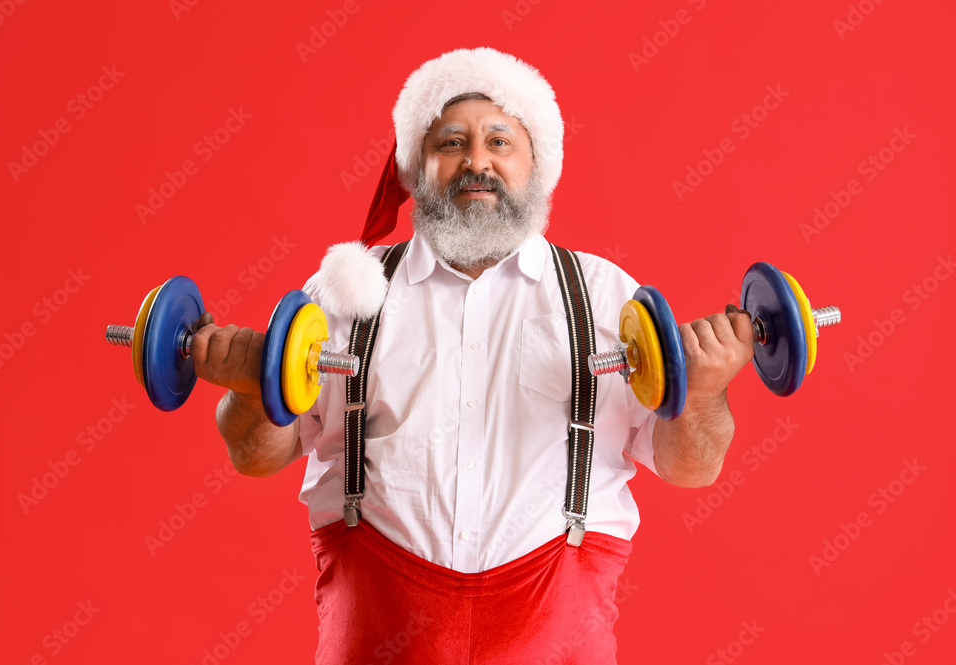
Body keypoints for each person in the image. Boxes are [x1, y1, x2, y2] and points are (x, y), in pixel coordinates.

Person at [190, 48, 755, 664]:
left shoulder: (607, 296)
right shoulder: (339, 297)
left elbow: (691, 466)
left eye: (500, 141)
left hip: (558, 634)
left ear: (538, 163)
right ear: (413, 166)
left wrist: (702, 392)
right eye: (451, 143)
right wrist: (250, 390)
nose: (477, 162)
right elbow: (253, 455)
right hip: (377, 632)